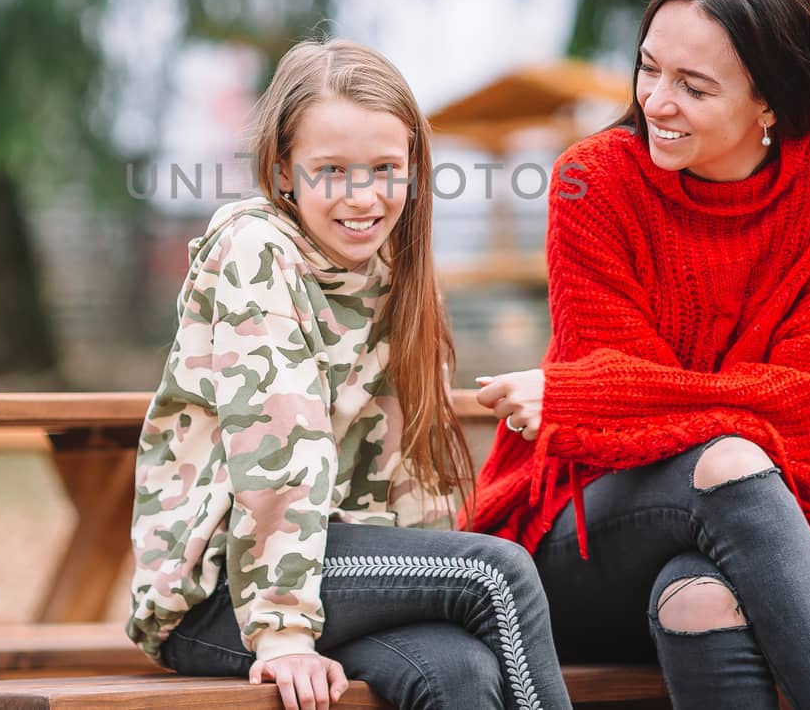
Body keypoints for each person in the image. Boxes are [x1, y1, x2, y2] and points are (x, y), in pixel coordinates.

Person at [473, 0, 810, 710]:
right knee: (727, 459)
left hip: (746, 546)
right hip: (578, 539)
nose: (656, 101)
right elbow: (615, 437)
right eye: (648, 68)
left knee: (700, 598)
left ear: (770, 100)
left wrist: (593, 391)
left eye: (694, 87)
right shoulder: (589, 181)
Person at [128, 39, 573, 710]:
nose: (362, 196)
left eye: (385, 169)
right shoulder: (257, 250)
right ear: (283, 170)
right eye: (331, 170)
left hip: (343, 574)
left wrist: (423, 578)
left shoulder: (400, 273)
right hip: (224, 587)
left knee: (460, 674)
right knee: (494, 573)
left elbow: (411, 460)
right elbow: (280, 447)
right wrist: (281, 631)